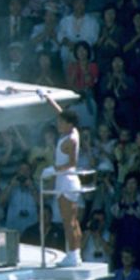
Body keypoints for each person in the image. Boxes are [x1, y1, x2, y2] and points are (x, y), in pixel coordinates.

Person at [41, 94, 84, 267]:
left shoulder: (71, 139)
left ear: (69, 124)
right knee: (72, 220)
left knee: (69, 222)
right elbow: (60, 112)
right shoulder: (72, 131)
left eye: (61, 123)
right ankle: (76, 253)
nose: (58, 124)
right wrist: (48, 99)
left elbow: (72, 163)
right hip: (64, 181)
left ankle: (73, 255)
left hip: (67, 182)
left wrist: (53, 170)